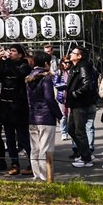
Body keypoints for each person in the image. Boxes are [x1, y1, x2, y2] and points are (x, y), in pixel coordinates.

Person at [0, 43, 32, 176]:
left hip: (19, 106)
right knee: (9, 138)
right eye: (9, 51)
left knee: (23, 137)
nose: (10, 53)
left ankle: (32, 162)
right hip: (6, 106)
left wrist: (8, 63)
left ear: (20, 54)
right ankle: (14, 163)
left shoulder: (25, 66)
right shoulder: (5, 64)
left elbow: (18, 75)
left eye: (13, 51)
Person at [26, 51, 62, 181]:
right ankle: (46, 175)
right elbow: (49, 99)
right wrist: (59, 114)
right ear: (46, 63)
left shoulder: (29, 77)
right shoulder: (46, 78)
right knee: (45, 148)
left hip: (33, 116)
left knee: (34, 148)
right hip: (46, 117)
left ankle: (37, 174)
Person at [66, 45, 97, 168]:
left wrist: (74, 93)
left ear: (79, 56)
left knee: (80, 131)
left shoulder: (83, 66)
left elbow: (87, 85)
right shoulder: (75, 67)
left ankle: (86, 158)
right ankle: (84, 153)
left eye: (73, 53)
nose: (70, 54)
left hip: (80, 104)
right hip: (75, 103)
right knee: (71, 129)